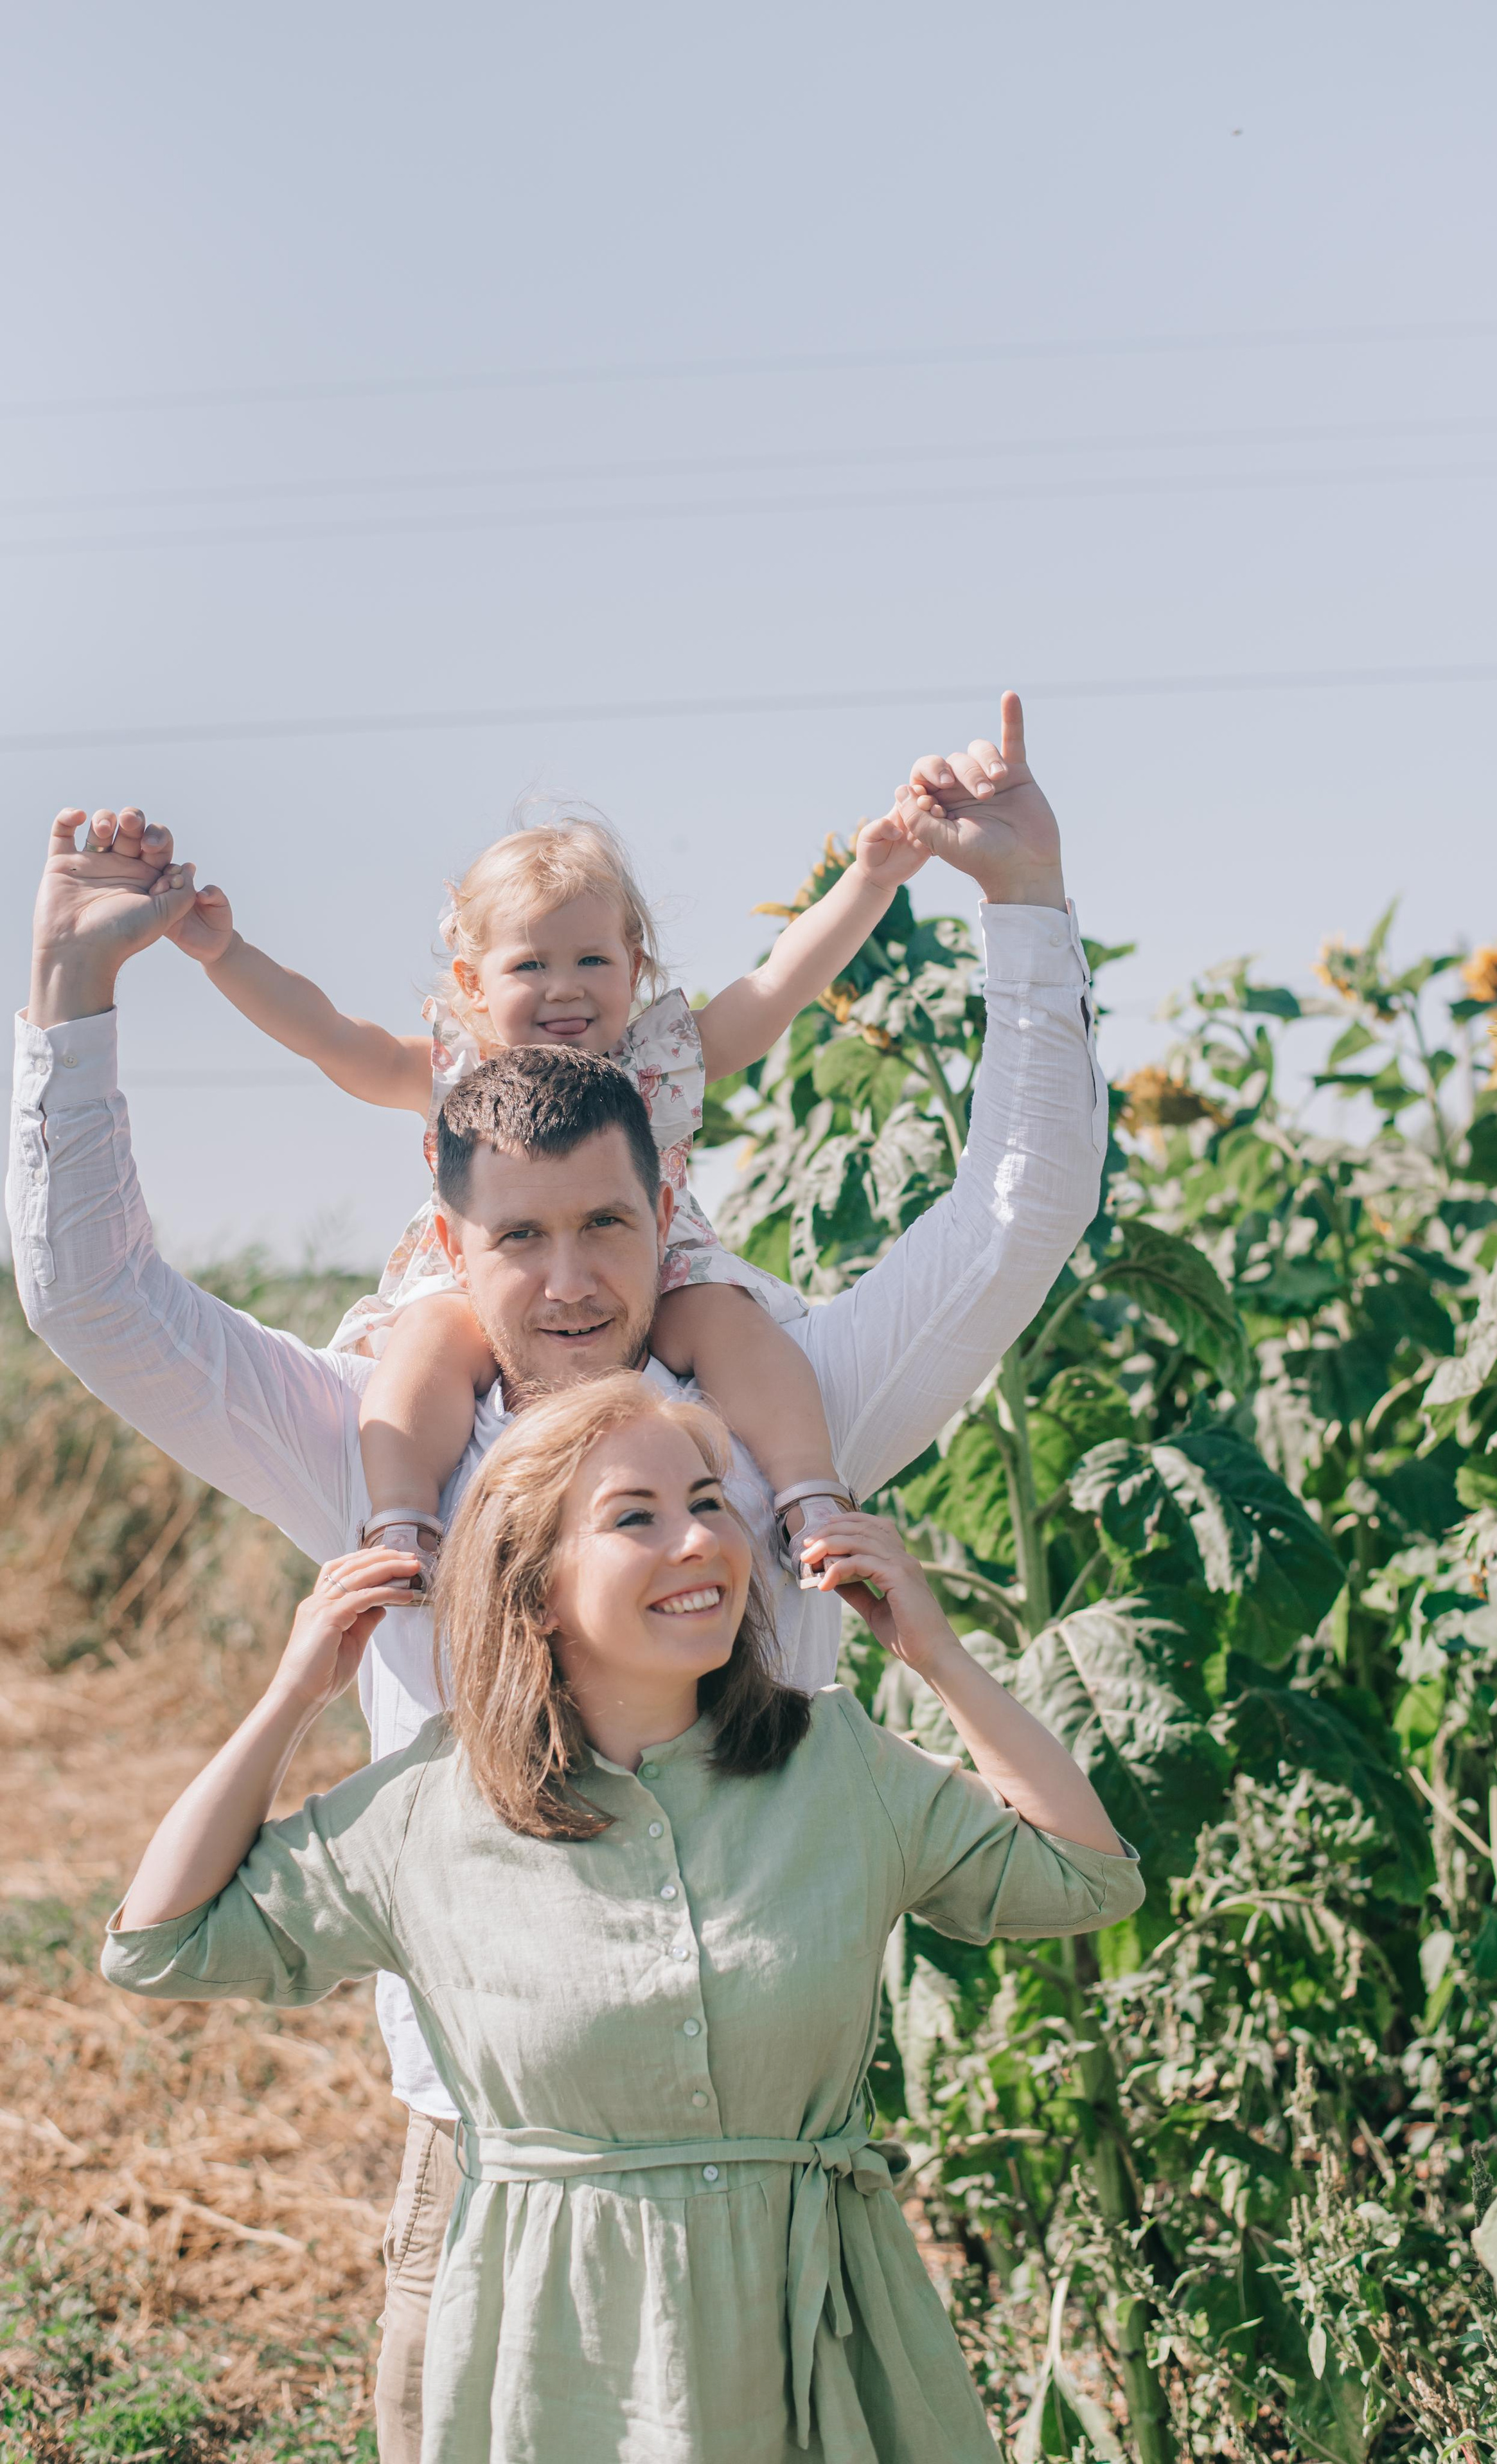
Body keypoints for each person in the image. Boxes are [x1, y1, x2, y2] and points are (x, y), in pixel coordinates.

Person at [10, 695, 1108, 2462]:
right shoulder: (384, 1453)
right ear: (448, 1246)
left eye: (607, 1223)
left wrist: (1024, 901)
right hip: (495, 2183)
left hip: (794, 2225)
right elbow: (100, 1303)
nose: (572, 1277)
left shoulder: (780, 1421)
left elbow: (1020, 1202)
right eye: (517, 1236)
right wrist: (69, 998)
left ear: (669, 1205)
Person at [103, 1373, 1144, 2461]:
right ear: (536, 1589)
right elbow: (156, 1941)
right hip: (563, 2356)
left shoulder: (839, 1761)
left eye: (708, 1499)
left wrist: (938, 1654)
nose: (698, 1539)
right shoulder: (427, 1808)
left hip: (827, 2334)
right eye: (634, 1515)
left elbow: (1086, 1878)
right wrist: (291, 1695)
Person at [169, 796, 935, 1594]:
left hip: (658, 1264)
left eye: (591, 962)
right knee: (426, 1347)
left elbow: (778, 985)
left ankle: (809, 1498)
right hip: (484, 1279)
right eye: (531, 965)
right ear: (473, 981)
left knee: (734, 1327)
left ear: (634, 969)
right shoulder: (455, 1071)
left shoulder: (660, 1062)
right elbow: (329, 1034)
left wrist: (870, 881)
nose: (563, 989)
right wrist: (225, 953)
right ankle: (401, 1522)